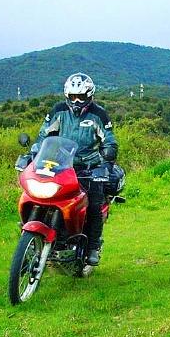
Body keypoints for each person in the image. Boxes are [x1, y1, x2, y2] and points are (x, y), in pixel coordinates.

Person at [34, 73, 118, 266]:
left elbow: (109, 140)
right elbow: (43, 134)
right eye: (73, 96)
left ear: (90, 95)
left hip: (89, 168)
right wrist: (34, 152)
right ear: (67, 96)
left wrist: (106, 161)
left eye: (81, 97)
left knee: (94, 204)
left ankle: (93, 247)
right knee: (46, 197)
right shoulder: (58, 111)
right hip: (60, 164)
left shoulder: (99, 114)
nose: (77, 101)